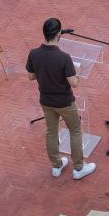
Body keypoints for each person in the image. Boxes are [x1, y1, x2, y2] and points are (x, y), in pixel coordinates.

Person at [27, 18, 96, 180]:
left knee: (51, 132)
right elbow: (74, 83)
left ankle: (56, 166)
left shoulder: (34, 54)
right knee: (75, 130)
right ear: (59, 34)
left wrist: (45, 73)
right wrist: (77, 71)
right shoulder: (64, 58)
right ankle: (78, 167)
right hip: (65, 102)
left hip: (46, 101)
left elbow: (31, 76)